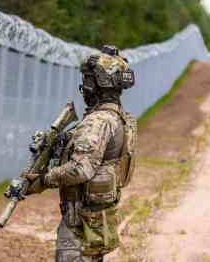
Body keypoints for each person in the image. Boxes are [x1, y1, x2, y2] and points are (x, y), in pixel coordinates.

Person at [24, 45, 137, 262]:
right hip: (95, 220)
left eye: (87, 79)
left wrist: (41, 180)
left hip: (81, 224)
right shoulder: (117, 118)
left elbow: (80, 169)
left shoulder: (97, 121)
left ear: (98, 83)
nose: (84, 86)